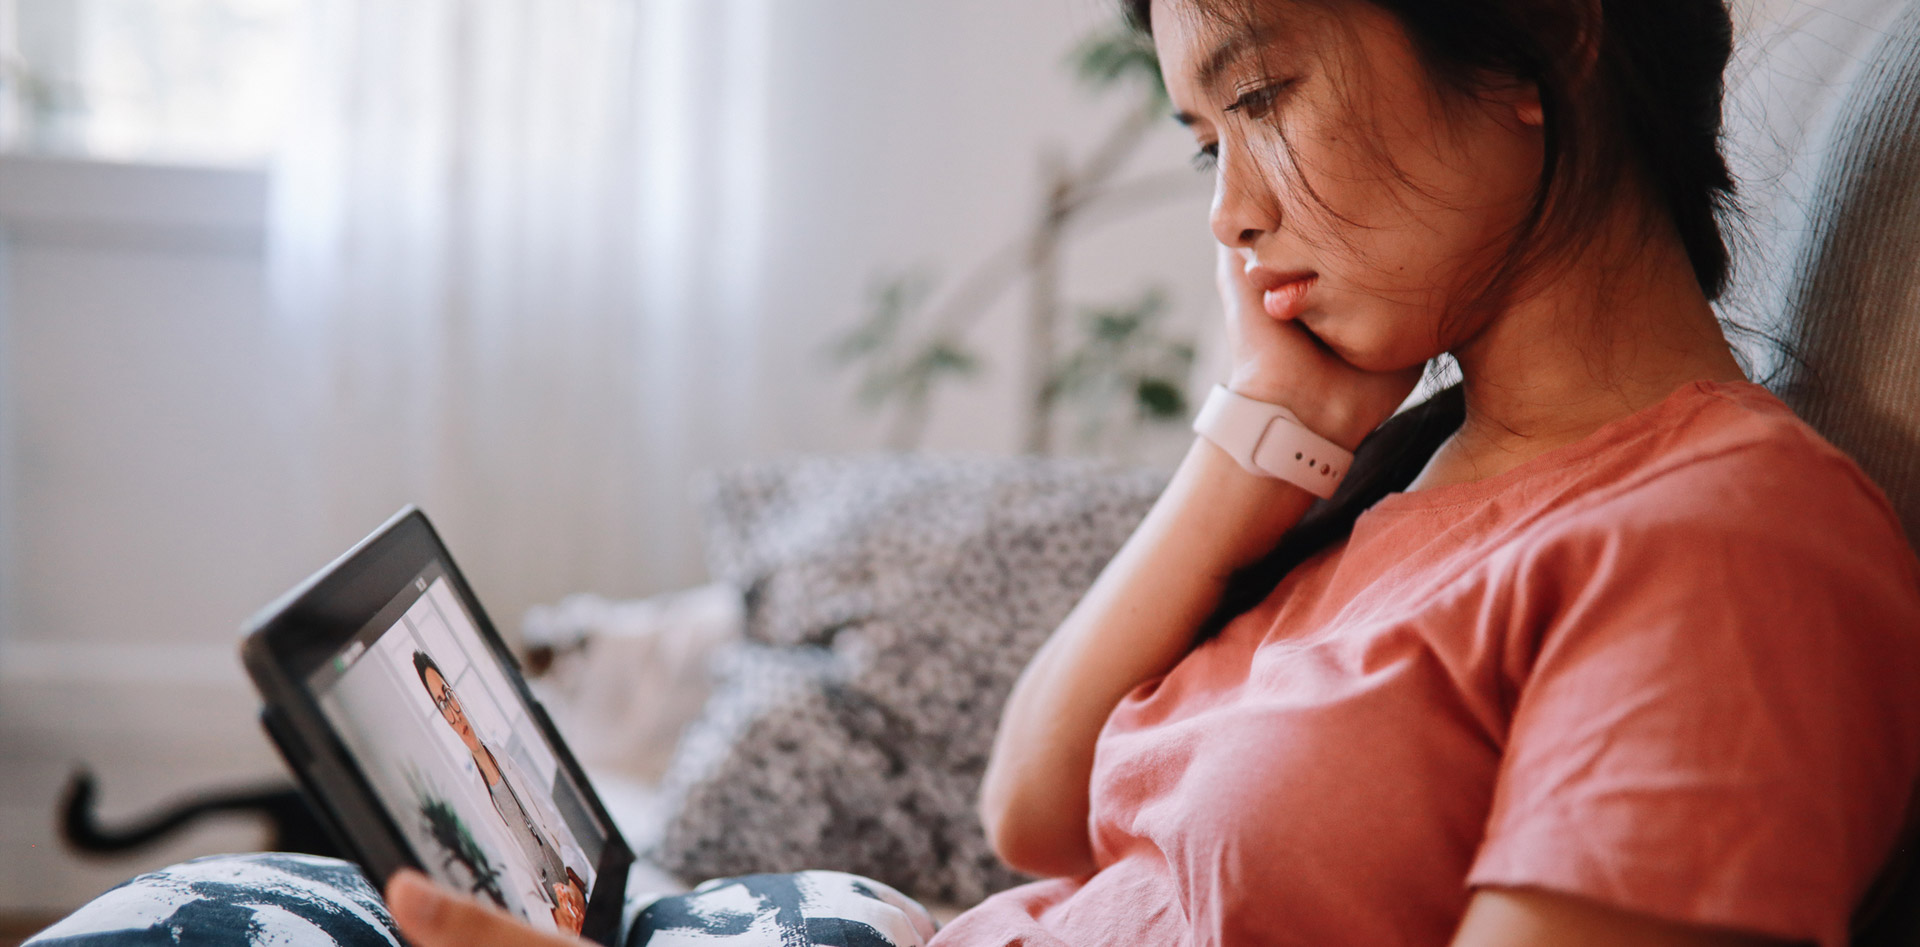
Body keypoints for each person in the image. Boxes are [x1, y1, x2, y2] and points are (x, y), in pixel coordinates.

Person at [27, 0, 1920, 945]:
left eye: (1263, 94)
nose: (1233, 211)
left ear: (1545, 42)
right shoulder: (1425, 465)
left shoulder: (1720, 545)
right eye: (1198, 140)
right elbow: (1039, 807)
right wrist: (1266, 444)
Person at [411, 651, 590, 934]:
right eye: (441, 704)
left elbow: (551, 818)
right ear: (441, 715)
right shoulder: (476, 796)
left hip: (573, 881)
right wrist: (556, 917)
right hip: (556, 916)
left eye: (448, 694)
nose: (454, 712)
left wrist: (575, 886)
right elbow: (519, 880)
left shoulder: (500, 752)